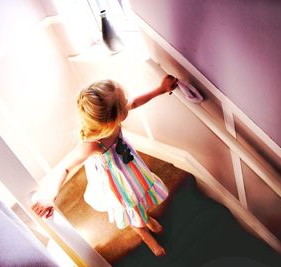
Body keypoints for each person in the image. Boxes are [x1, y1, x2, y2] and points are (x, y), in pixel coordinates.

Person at [32, 75, 178, 256]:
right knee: (129, 204)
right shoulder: (92, 144)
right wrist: (50, 195)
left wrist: (160, 89)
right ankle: (144, 234)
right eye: (124, 102)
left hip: (129, 167)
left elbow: (136, 102)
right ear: (113, 119)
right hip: (115, 180)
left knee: (140, 193)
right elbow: (65, 167)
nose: (128, 103)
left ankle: (146, 218)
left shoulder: (114, 118)